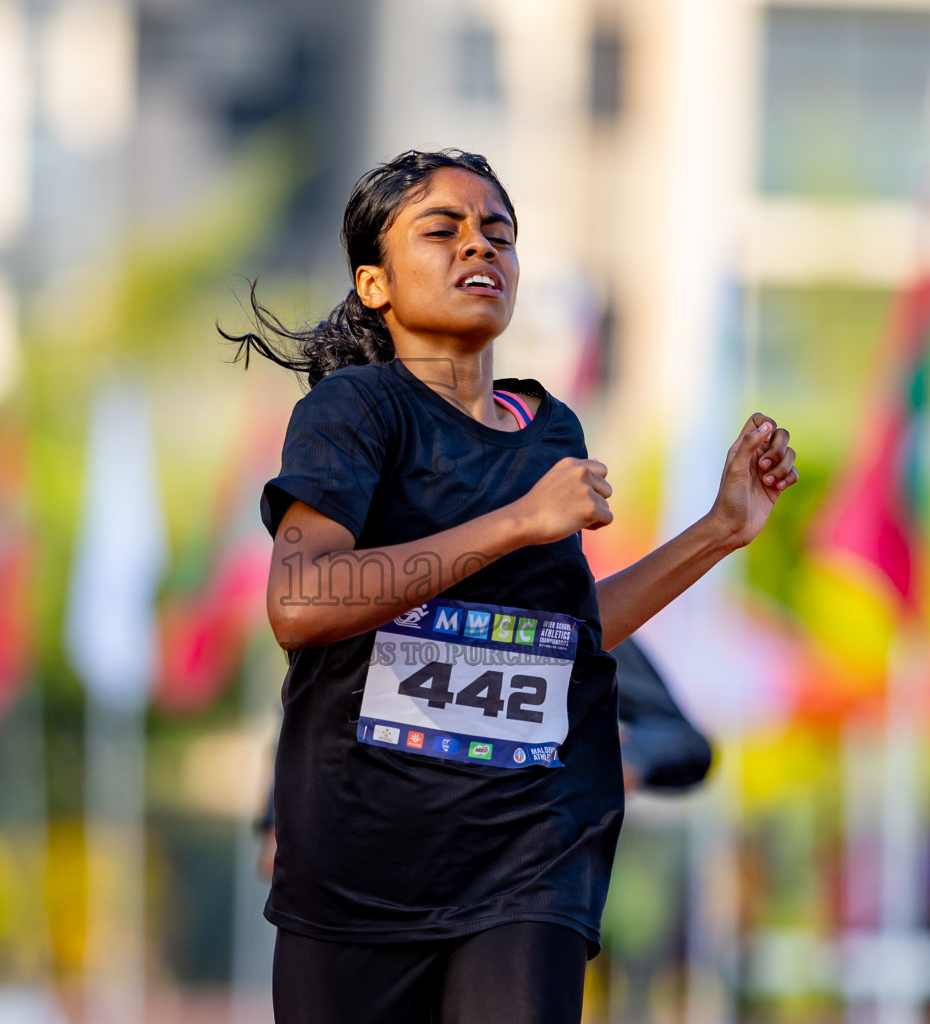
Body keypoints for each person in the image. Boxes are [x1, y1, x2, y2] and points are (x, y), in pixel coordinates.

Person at [224, 149, 797, 1024]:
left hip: (527, 849)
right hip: (359, 862)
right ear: (374, 283)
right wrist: (518, 523)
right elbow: (299, 605)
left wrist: (721, 529)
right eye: (442, 230)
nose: (478, 248)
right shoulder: (354, 414)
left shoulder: (548, 428)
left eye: (499, 233)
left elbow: (564, 636)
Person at [256, 634, 714, 878]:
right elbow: (316, 704)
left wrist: (624, 761)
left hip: (513, 885)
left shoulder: (563, 614)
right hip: (371, 878)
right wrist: (281, 818)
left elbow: (683, 740)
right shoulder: (388, 591)